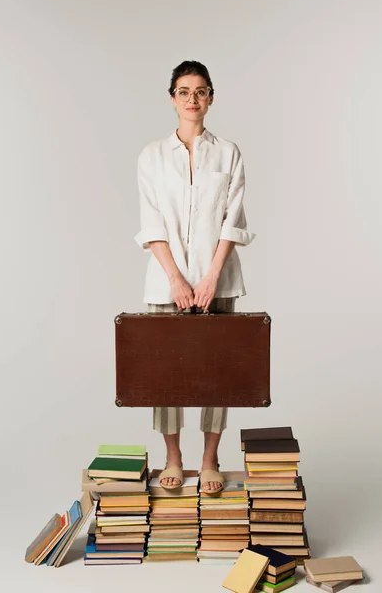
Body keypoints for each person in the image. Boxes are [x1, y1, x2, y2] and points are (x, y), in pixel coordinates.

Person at [134, 60, 255, 494]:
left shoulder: (229, 153)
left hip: (217, 279)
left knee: (217, 372)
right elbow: (152, 225)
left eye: (200, 91)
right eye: (184, 92)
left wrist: (209, 279)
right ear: (172, 99)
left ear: (211, 98)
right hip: (166, 280)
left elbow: (232, 221)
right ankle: (173, 456)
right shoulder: (151, 156)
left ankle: (209, 459)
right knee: (165, 373)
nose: (192, 99)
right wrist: (178, 280)